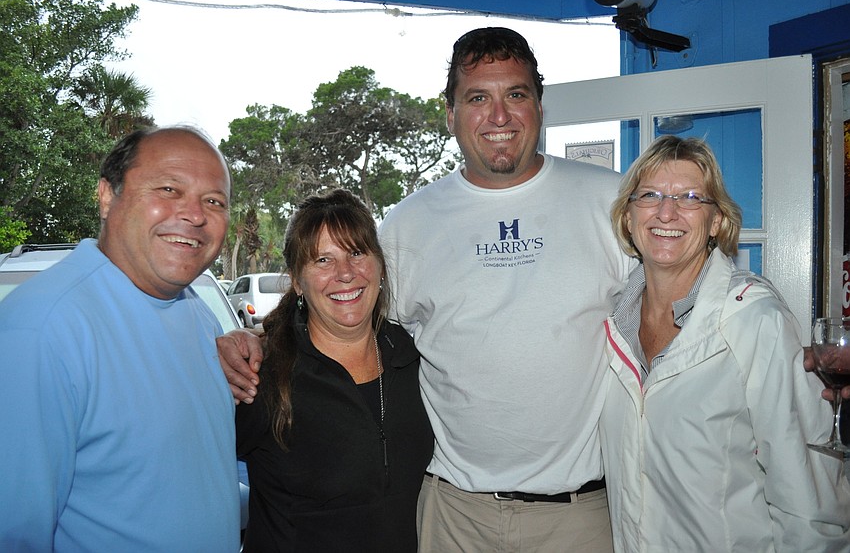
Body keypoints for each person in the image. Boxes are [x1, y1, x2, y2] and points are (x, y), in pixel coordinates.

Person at [375, 27, 631, 552]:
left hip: (579, 517)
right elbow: (350, 333)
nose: (499, 116)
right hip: (454, 516)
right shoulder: (407, 225)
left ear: (539, 105)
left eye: (515, 94)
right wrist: (264, 346)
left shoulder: (611, 203)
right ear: (450, 115)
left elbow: (682, 320)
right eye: (477, 98)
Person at [602, 135, 850, 551]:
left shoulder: (756, 319)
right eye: (650, 195)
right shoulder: (611, 325)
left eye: (691, 197)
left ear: (716, 222)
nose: (667, 211)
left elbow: (809, 502)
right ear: (628, 216)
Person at [0, 126, 241, 551]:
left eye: (214, 201)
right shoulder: (40, 331)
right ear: (107, 196)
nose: (195, 214)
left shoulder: (199, 315)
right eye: (169, 189)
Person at [235, 189, 433, 551]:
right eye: (323, 260)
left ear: (380, 266)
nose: (345, 273)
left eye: (357, 253)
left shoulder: (413, 356)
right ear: (297, 280)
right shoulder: (262, 375)